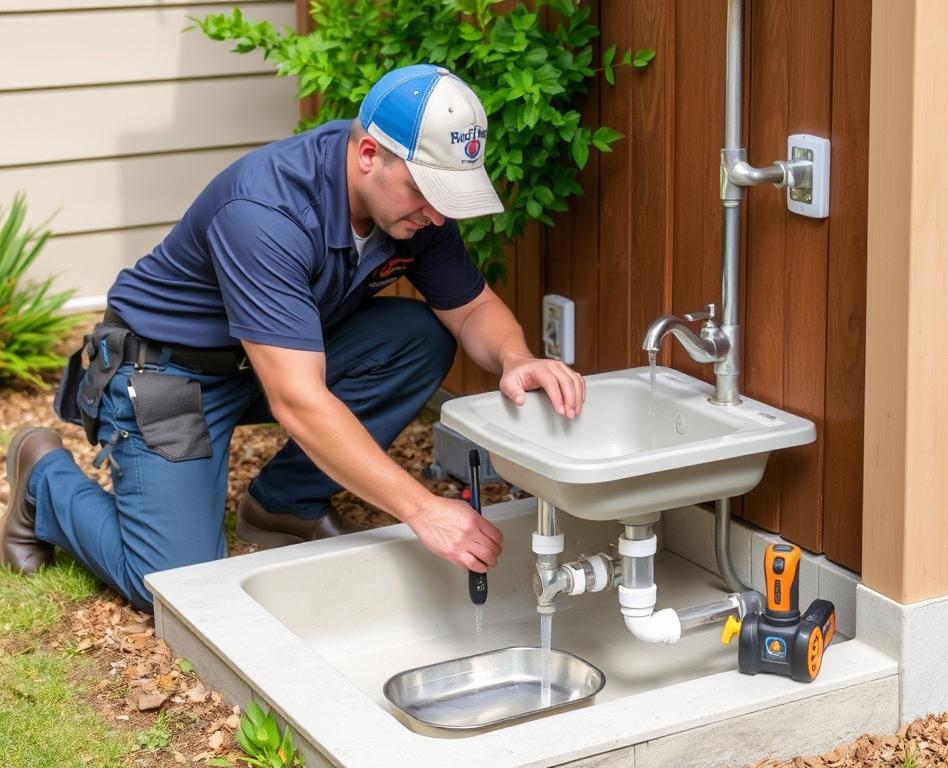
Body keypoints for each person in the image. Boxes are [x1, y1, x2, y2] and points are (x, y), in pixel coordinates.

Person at [1, 64, 585, 613]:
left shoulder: (412, 211)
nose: (437, 214)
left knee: (417, 336)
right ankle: (44, 481)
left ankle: (282, 505)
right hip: (165, 374)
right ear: (367, 155)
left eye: (448, 196)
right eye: (426, 190)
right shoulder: (265, 211)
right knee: (178, 588)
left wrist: (516, 358)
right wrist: (423, 509)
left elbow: (472, 306)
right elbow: (299, 400)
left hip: (263, 362)